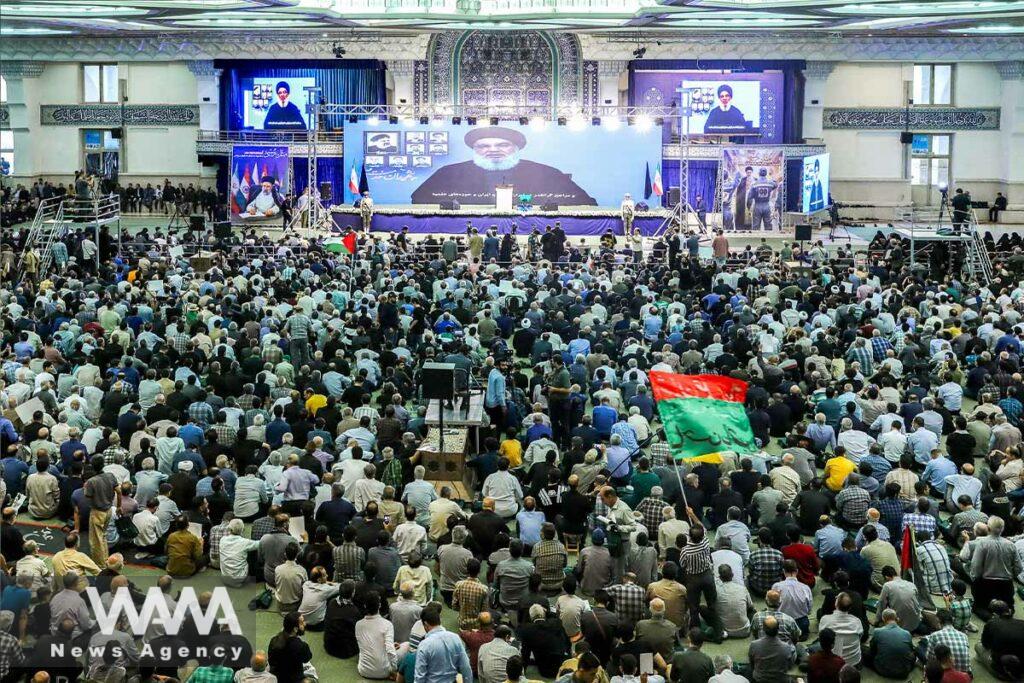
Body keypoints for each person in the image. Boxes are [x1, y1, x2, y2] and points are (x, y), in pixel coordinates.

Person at [412, 126, 596, 206]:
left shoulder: (546, 172)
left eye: (502, 145)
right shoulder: (448, 173)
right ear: (474, 149)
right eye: (483, 146)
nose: (493, 150)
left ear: (516, 148)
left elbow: (586, 201)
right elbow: (418, 198)